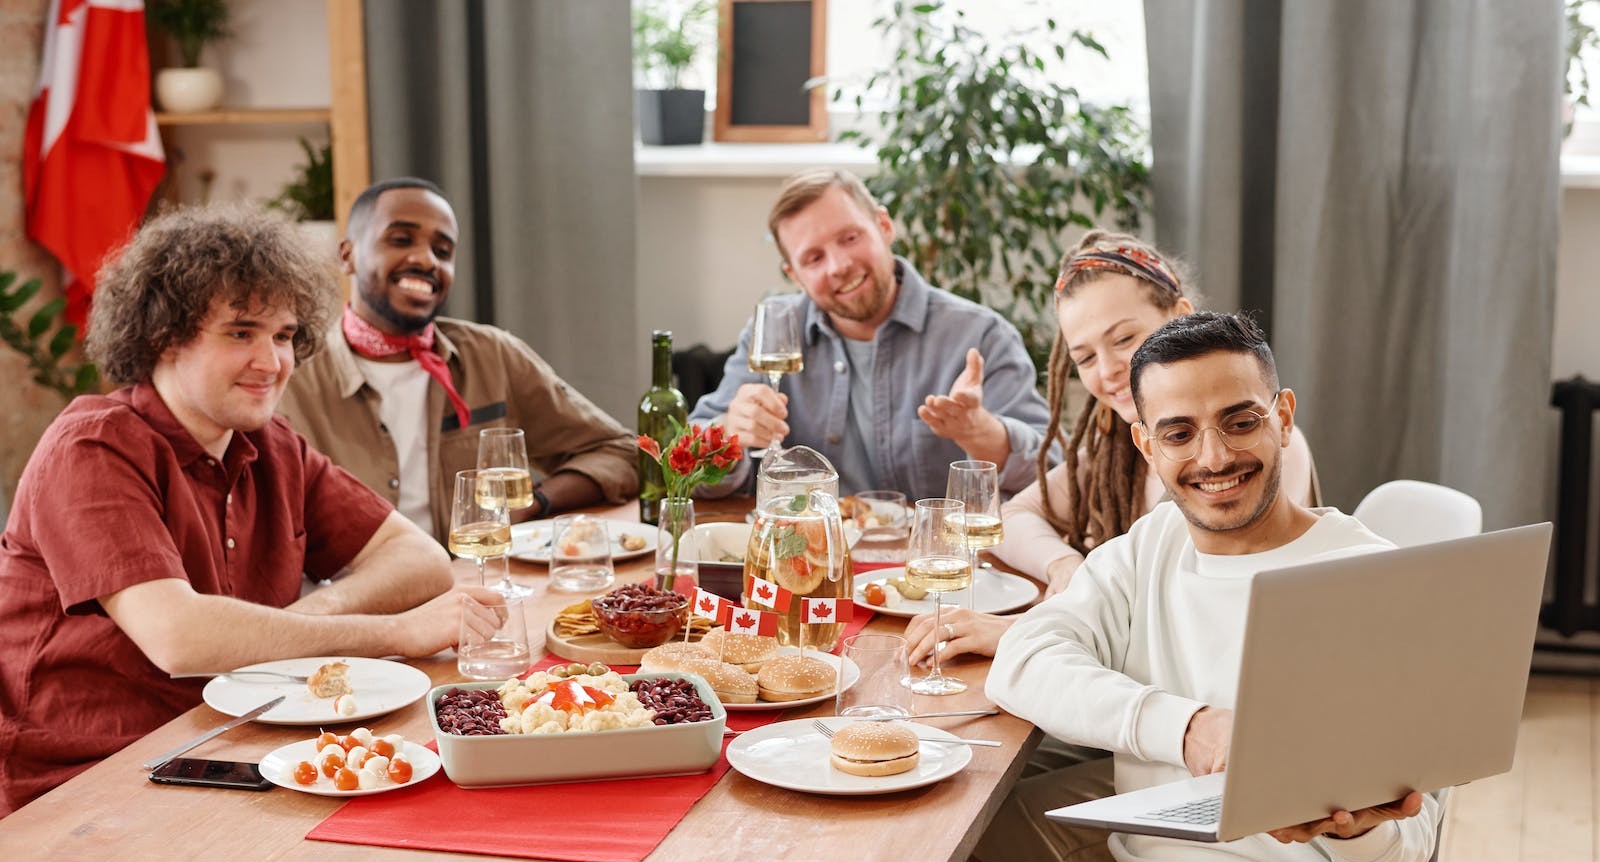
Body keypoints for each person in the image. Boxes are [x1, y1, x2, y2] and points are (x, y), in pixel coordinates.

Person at [777, 312, 1436, 862]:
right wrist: (1186, 728)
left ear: (1282, 419)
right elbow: (1024, 657)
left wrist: (1358, 828)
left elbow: (1406, 858)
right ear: (1146, 444)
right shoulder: (1151, 548)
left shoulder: (1377, 581)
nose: (1214, 455)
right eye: (1180, 432)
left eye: (1240, 421)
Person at [0, 203, 529, 862]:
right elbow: (178, 636)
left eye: (286, 334)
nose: (274, 360)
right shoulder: (93, 446)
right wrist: (386, 636)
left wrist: (308, 624)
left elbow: (420, 557)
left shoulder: (267, 445)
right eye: (242, 332)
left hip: (245, 773)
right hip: (95, 820)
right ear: (163, 334)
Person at [904, 231, 1316, 668]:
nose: (1109, 370)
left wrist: (1019, 632)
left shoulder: (1260, 450)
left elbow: (1199, 624)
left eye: (1123, 340)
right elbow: (1015, 515)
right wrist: (1063, 564)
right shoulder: (1122, 449)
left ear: (1180, 317)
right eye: (1084, 358)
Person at [279, 177, 637, 544]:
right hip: (357, 595)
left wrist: (537, 502)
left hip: (475, 582)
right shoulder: (289, 374)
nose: (425, 259)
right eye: (401, 240)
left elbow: (621, 452)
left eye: (443, 250)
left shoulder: (493, 356)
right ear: (347, 256)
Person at [689, 168, 1054, 501]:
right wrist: (728, 434)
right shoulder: (772, 335)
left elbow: (1054, 471)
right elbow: (687, 468)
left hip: (933, 563)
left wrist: (984, 433)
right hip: (803, 560)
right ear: (794, 275)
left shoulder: (981, 335)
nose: (839, 266)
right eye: (814, 259)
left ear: (884, 226)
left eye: (849, 237)